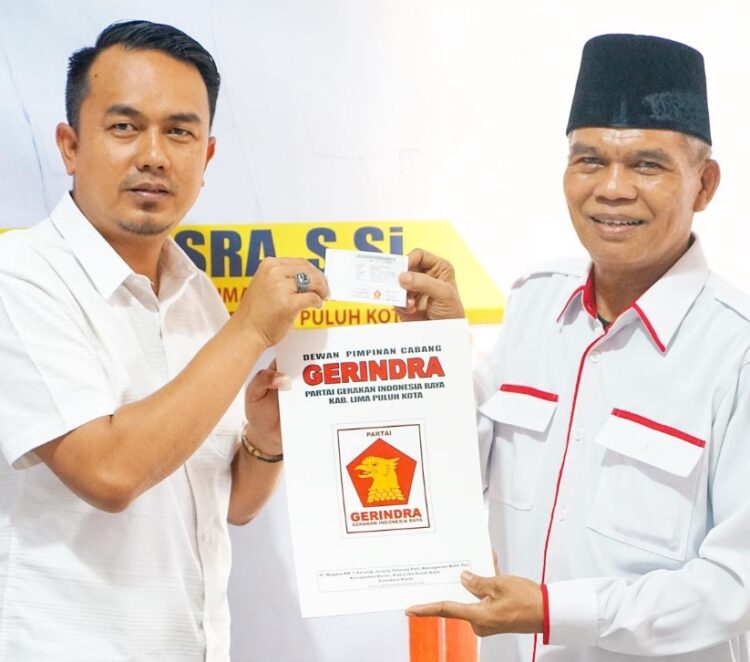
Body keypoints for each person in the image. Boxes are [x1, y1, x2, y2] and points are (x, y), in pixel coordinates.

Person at [401, 34, 750, 661]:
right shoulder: (535, 300)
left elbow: (734, 587)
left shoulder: (735, 349)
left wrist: (552, 611)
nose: (611, 188)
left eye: (647, 165)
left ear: (705, 185)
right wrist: (438, 359)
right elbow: (457, 473)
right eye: (588, 160)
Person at [0, 20, 327, 661]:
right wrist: (250, 330)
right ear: (70, 146)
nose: (154, 154)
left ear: (207, 157)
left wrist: (265, 441)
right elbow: (110, 471)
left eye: (179, 132)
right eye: (125, 127)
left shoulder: (197, 293)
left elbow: (228, 504)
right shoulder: (21, 279)